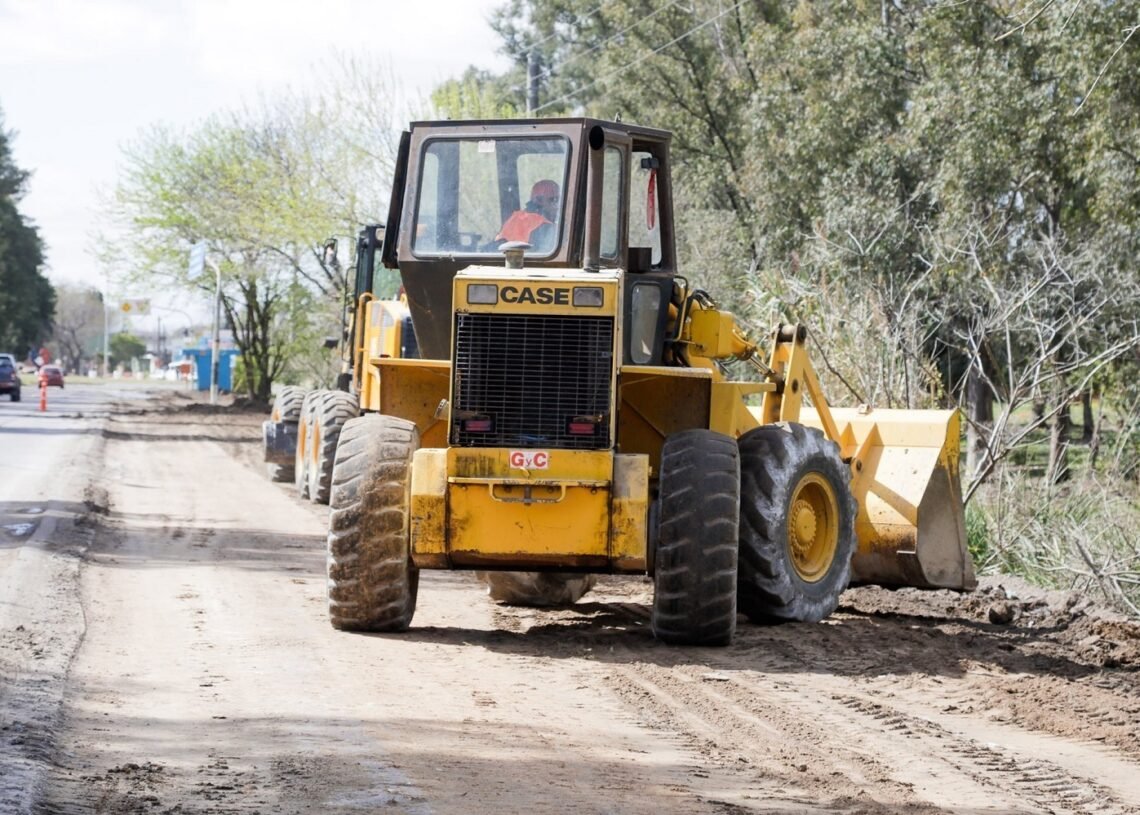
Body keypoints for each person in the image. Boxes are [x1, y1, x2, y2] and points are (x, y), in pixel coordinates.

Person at [496, 179, 560, 252]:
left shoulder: (514, 218)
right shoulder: (546, 227)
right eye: (554, 200)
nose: (557, 206)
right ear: (539, 200)